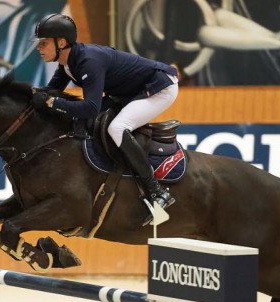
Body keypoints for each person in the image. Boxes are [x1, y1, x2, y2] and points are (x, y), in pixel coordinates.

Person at [30, 14, 179, 220]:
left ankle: (156, 190)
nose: (39, 48)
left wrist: (53, 103)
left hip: (159, 87)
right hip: (128, 91)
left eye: (44, 43)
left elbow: (90, 107)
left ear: (61, 43)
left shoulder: (88, 61)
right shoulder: (67, 64)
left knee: (117, 128)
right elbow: (50, 91)